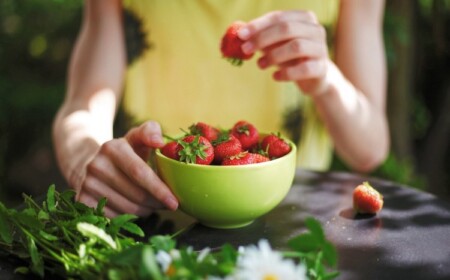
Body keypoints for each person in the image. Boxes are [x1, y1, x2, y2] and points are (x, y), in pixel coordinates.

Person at [53, 0, 389, 217]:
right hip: (155, 211)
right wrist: (88, 158)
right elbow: (84, 104)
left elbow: (370, 147)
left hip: (296, 219)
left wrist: (325, 80)